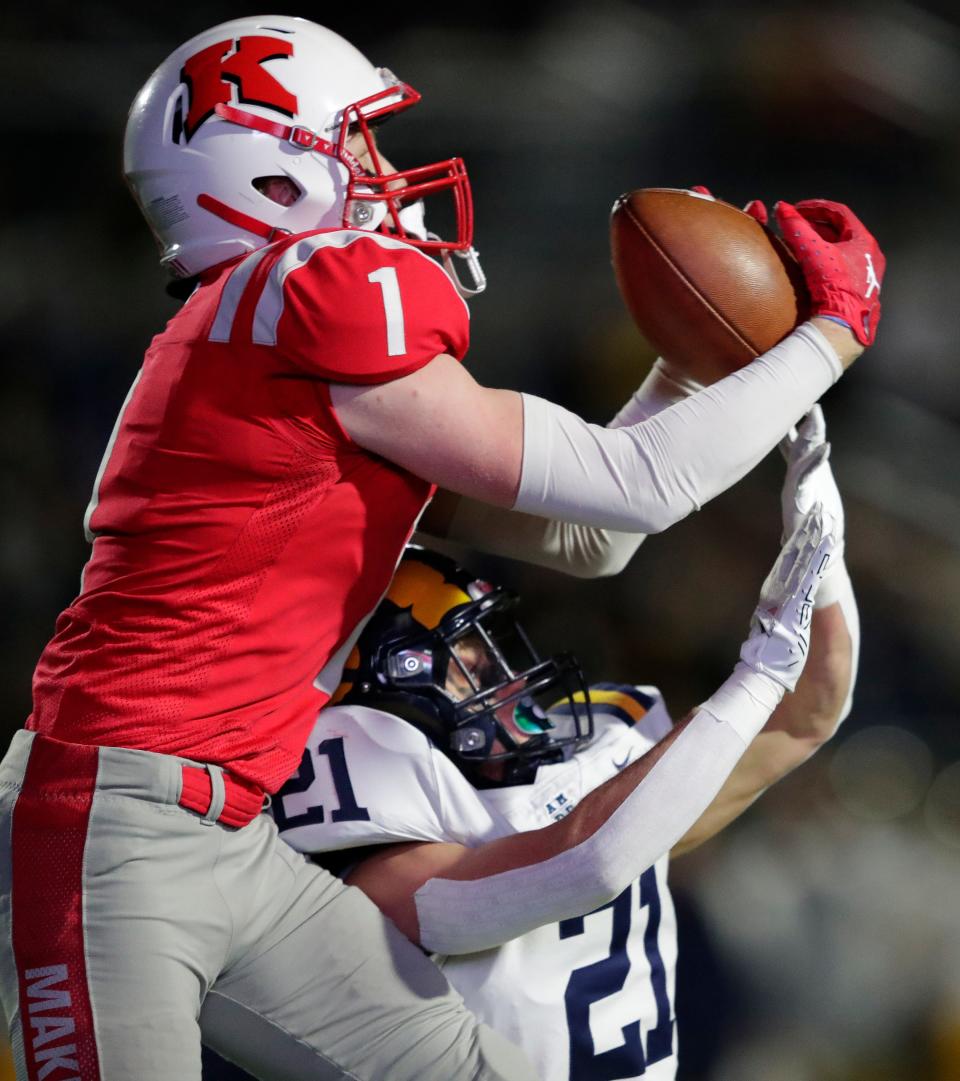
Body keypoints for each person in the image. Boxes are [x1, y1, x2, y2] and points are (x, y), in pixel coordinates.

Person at [0, 12, 877, 1080]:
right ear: (270, 179)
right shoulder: (298, 295)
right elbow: (636, 490)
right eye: (355, 146)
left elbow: (590, 536)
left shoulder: (267, 363)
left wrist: (696, 364)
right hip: (110, 825)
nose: (385, 174)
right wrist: (833, 329)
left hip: (225, 830)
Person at [270, 406, 856, 1081]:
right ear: (388, 698)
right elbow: (587, 860)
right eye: (467, 653)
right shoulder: (381, 881)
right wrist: (755, 676)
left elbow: (809, 709)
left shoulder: (597, 789)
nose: (503, 673)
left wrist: (820, 545)